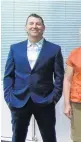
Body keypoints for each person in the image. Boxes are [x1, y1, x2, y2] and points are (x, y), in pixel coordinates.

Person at [3, 13, 64, 142]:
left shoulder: (54, 49)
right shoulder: (15, 48)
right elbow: (8, 75)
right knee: (18, 137)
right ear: (26, 27)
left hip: (45, 100)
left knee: (49, 137)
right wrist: (8, 97)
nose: (34, 26)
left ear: (43, 27)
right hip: (19, 100)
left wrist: (54, 97)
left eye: (38, 24)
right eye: (31, 23)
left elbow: (59, 76)